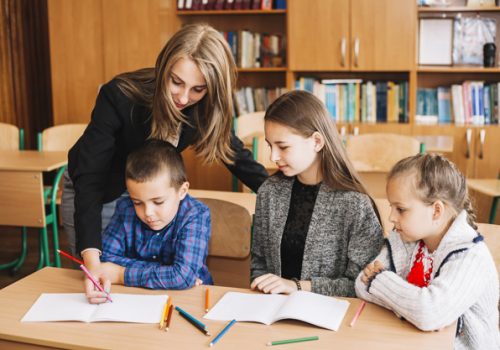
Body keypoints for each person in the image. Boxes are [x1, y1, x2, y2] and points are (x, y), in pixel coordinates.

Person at [61, 24, 268, 302]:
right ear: (163, 67)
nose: (184, 98)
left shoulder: (206, 107)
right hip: (99, 188)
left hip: (151, 189)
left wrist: (281, 194)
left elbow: (236, 156)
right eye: (176, 82)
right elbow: (90, 177)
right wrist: (93, 260)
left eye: (198, 89)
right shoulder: (120, 96)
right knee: (103, 285)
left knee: (136, 281)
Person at [355, 154, 500, 350]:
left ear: (436, 211)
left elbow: (429, 313)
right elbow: (361, 284)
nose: (391, 217)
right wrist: (411, 307)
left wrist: (382, 282)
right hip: (411, 342)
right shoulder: (405, 239)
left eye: (401, 209)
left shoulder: (471, 256)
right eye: (391, 207)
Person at [250, 90, 384, 297]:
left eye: (283, 147)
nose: (273, 156)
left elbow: (363, 284)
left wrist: (297, 287)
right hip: (274, 314)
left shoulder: (355, 203)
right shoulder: (269, 192)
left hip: (333, 319)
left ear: (317, 141)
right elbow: (259, 263)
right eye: (270, 145)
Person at [99, 140, 211, 294]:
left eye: (158, 202)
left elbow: (182, 277)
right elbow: (104, 258)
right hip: (137, 296)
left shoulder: (196, 215)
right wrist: (168, 272)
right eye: (137, 202)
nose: (148, 212)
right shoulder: (126, 208)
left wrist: (120, 274)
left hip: (189, 296)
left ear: (182, 191)